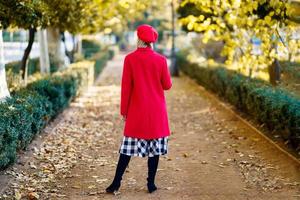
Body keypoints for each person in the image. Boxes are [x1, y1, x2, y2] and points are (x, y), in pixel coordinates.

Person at [106, 24, 172, 194]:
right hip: (156, 111)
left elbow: (126, 87)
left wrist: (124, 111)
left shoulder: (130, 59)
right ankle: (151, 184)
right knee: (155, 149)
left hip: (137, 110)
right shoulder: (161, 60)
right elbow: (167, 85)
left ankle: (116, 183)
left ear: (140, 39)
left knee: (127, 148)